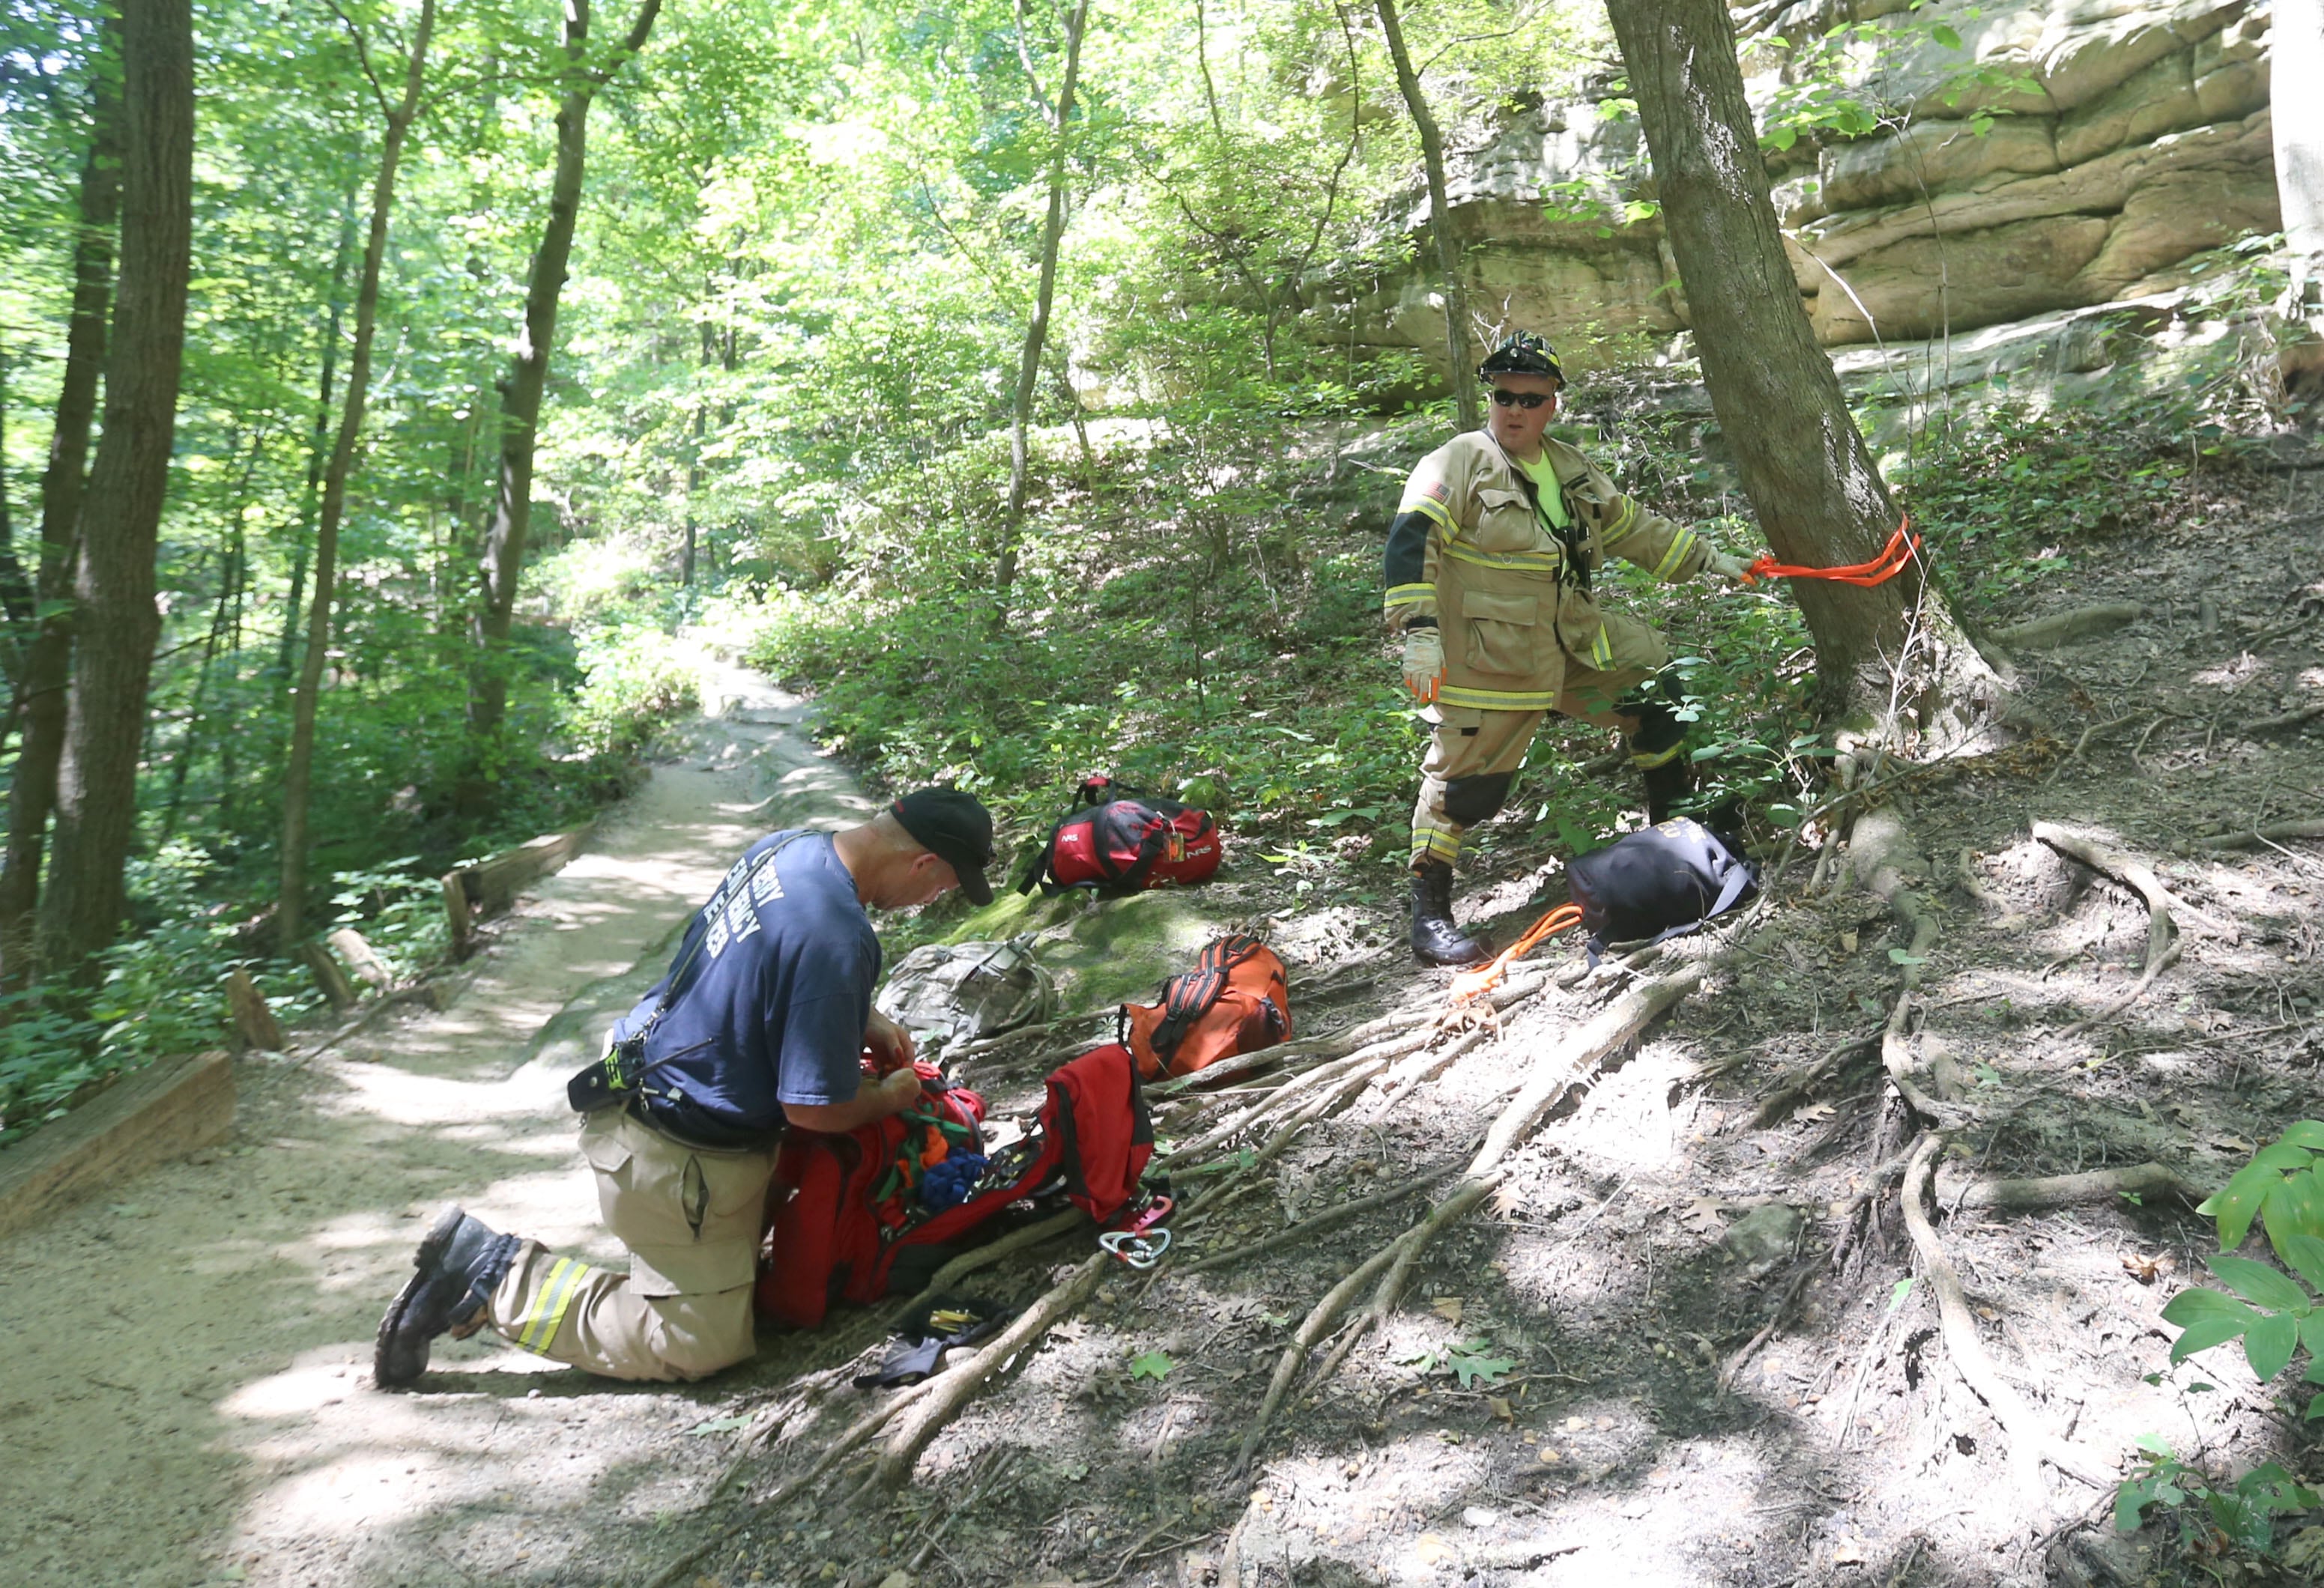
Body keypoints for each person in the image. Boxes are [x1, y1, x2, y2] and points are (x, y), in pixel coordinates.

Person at [373, 787, 997, 1387]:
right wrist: (894, 1095)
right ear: (922, 861)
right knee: (700, 1343)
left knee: (741, 1273)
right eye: (941, 884)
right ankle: (492, 1272)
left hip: (641, 1088)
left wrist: (857, 1014)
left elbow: (748, 961)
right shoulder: (838, 934)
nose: (931, 898)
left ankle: (686, 1264)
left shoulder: (790, 849)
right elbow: (814, 1110)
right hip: (674, 1156)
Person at [1383, 332, 1755, 967]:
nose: (1514, 409)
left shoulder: (1568, 466)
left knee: (1653, 682)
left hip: (1572, 645)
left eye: (1530, 397)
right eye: (1502, 395)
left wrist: (1710, 558)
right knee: (1462, 787)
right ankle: (1430, 914)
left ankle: (1673, 830)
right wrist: (1419, 633)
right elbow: (1412, 538)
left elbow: (1632, 526)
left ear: (1553, 401)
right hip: (1490, 660)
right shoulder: (1460, 460)